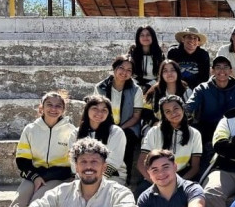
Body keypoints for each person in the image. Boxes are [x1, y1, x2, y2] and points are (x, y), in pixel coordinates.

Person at [185, 56, 235, 175]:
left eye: (225, 67)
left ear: (231, 71)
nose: (222, 71)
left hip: (232, 129)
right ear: (212, 71)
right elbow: (188, 107)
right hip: (208, 129)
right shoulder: (202, 88)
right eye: (218, 67)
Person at [94, 55, 144, 184]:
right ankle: (98, 174)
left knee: (126, 138)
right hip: (104, 124)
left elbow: (136, 116)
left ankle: (124, 177)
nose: (124, 72)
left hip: (127, 127)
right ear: (114, 68)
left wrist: (118, 129)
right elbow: (97, 111)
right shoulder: (101, 87)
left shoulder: (136, 90)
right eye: (121, 68)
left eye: (129, 70)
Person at [137, 95, 202, 195]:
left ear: (183, 109)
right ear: (164, 115)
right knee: (141, 192)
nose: (173, 113)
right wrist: (157, 182)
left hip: (182, 176)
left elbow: (195, 167)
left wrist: (178, 184)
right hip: (156, 176)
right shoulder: (154, 132)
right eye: (167, 111)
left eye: (176, 108)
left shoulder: (194, 134)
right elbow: (141, 163)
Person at [68, 95, 127, 185]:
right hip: (83, 176)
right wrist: (83, 177)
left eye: (104, 110)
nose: (99, 113)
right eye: (95, 108)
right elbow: (73, 159)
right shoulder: (76, 133)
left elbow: (114, 160)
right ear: (87, 110)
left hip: (111, 177)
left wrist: (95, 180)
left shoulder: (116, 132)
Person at [142, 59, 193, 128]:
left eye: (173, 70)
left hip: (181, 126)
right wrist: (155, 123)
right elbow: (145, 112)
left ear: (178, 72)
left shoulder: (187, 91)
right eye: (165, 71)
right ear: (161, 74)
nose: (169, 73)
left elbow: (190, 113)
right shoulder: (154, 91)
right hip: (158, 126)